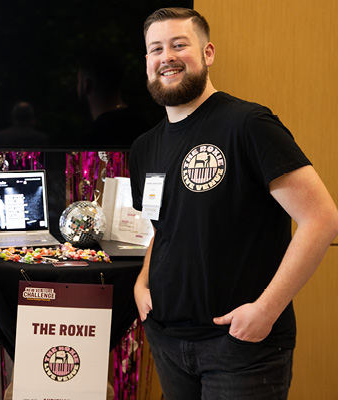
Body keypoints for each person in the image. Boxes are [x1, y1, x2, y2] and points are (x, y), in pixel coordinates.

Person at [129, 7, 338, 400]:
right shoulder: (144, 148)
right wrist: (143, 279)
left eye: (179, 45)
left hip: (240, 347)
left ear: (207, 53)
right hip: (168, 339)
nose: (166, 57)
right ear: (147, 62)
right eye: (156, 49)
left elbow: (322, 219)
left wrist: (266, 311)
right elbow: (165, 228)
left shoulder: (248, 124)